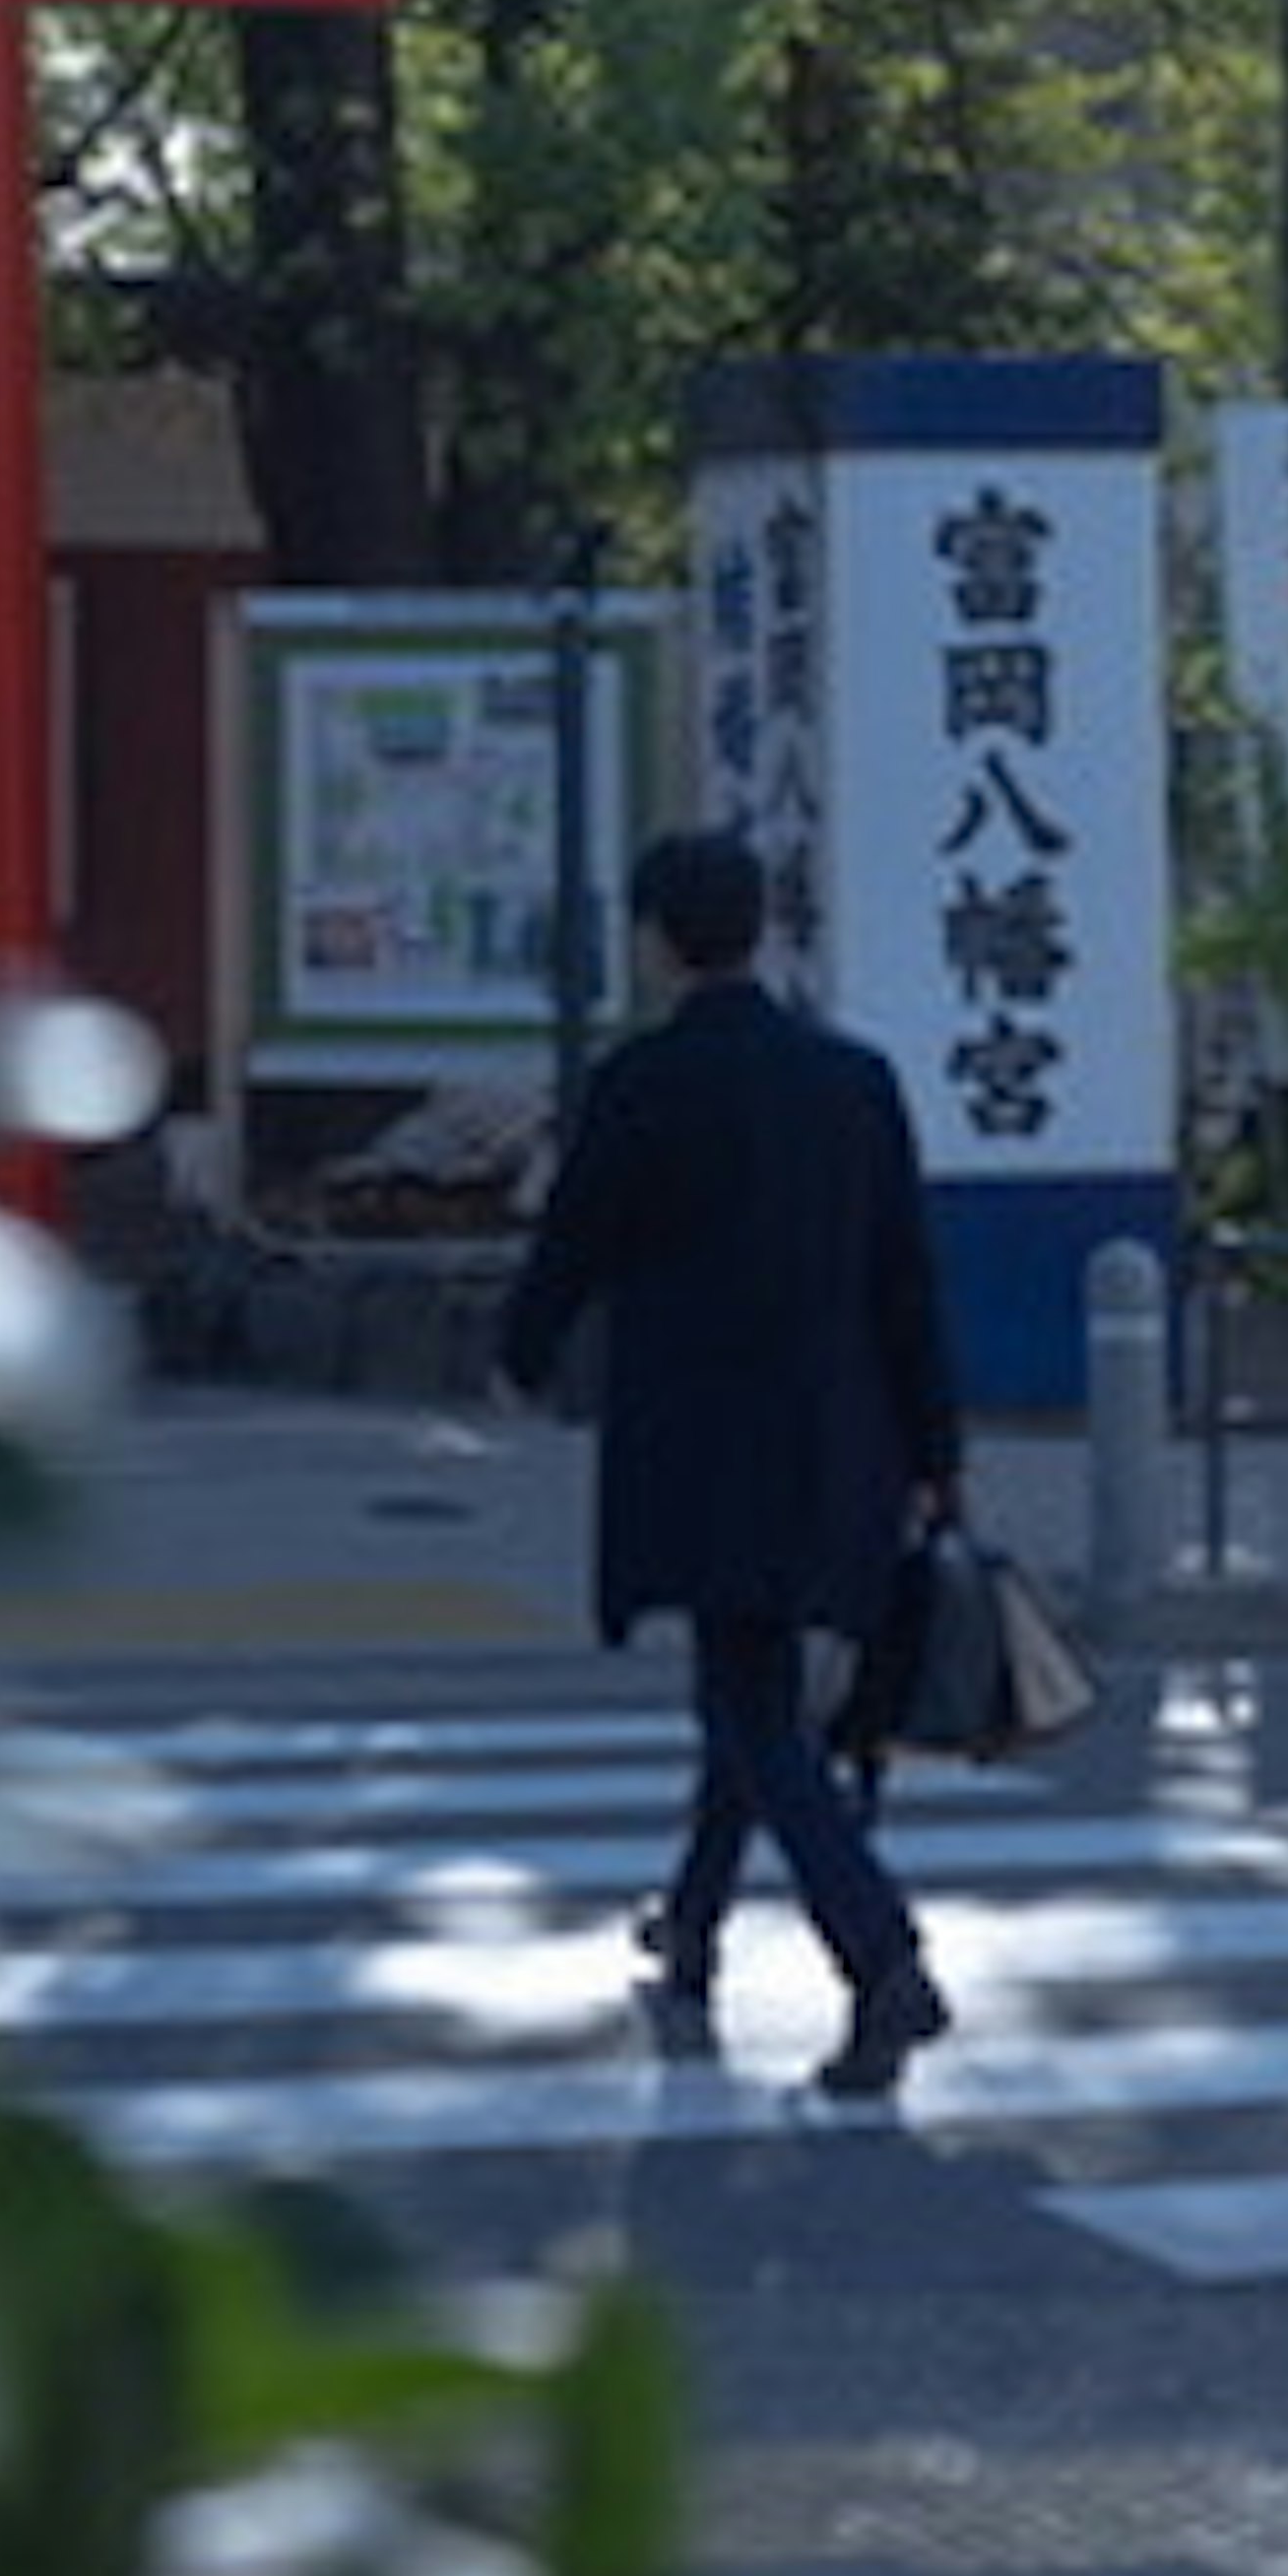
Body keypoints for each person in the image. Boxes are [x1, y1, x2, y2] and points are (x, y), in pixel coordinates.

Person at [498, 823, 963, 2100]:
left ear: (655, 939)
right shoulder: (853, 1081)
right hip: (844, 1439)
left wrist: (520, 1357)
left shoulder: (644, 1085)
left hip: (704, 1451)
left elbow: (571, 1246)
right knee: (747, 1693)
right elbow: (905, 1281)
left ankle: (882, 1960)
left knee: (747, 1702)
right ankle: (692, 1928)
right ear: (758, 929)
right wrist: (939, 1454)